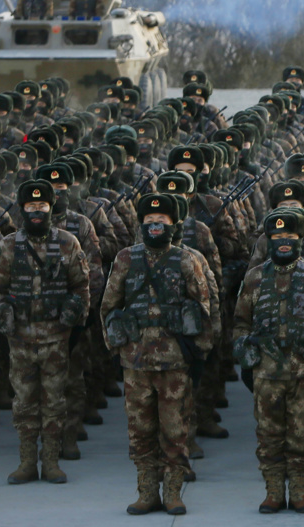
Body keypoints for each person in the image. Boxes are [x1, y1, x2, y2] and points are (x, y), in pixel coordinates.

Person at [100, 193, 214, 515]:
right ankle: (147, 491)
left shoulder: (185, 260)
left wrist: (199, 356)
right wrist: (115, 348)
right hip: (135, 362)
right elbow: (108, 306)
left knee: (175, 430)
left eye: (161, 220)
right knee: (140, 431)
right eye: (149, 221)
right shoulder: (125, 259)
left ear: (173, 224)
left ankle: (174, 492)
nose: (155, 225)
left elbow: (203, 307)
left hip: (174, 361)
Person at [233, 208, 304, 514]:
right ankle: (273, 491)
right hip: (266, 373)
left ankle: (300, 491)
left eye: (289, 236)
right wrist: (245, 352)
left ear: (299, 239)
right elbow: (240, 322)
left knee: (302, 433)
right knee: (269, 435)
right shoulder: (254, 279)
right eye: (277, 236)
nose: (283, 242)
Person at [0, 179, 90, 485]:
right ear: (22, 210)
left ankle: (52, 462)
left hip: (57, 337)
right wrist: (1, 316)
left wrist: (74, 313)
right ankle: (27, 461)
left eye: (41, 206)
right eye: (30, 207)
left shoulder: (69, 243)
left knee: (55, 401)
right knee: (24, 402)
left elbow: (81, 287)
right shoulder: (7, 246)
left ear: (50, 208)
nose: (36, 212)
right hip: (19, 338)